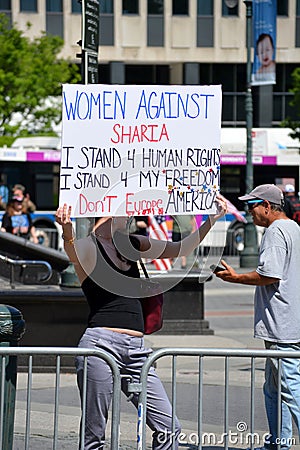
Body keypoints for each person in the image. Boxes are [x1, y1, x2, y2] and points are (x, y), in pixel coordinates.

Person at [55, 195, 227, 450]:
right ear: (110, 210)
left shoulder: (133, 244)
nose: (133, 215)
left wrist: (211, 220)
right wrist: (67, 229)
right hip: (100, 345)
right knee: (94, 434)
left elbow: (180, 249)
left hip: (136, 349)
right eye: (126, 209)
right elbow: (72, 252)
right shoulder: (89, 246)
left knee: (169, 428)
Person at [215, 184, 300, 450]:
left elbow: (270, 275)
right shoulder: (293, 228)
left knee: (290, 390)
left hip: (281, 325)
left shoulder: (275, 232)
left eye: (252, 206)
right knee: (276, 390)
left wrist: (236, 278)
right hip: (288, 321)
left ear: (267, 206)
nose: (249, 211)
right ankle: (278, 442)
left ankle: (279, 442)